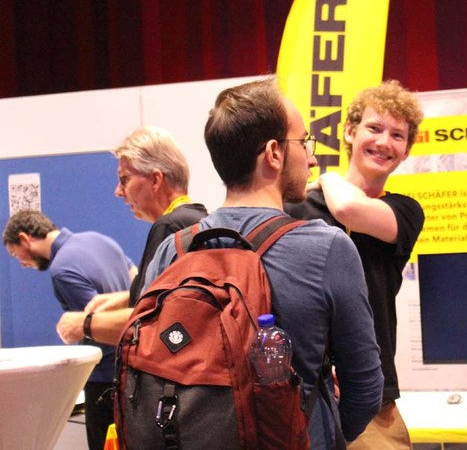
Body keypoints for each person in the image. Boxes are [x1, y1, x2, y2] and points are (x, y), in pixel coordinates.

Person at [140, 76, 384, 449]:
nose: (312, 157)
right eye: (304, 142)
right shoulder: (327, 249)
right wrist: (320, 436)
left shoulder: (172, 251)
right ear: (273, 153)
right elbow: (364, 387)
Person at [285, 80, 424, 450]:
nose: (384, 142)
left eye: (397, 135)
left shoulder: (404, 212)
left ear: (406, 151)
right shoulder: (299, 209)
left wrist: (327, 176)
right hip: (304, 393)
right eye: (374, 128)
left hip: (370, 397)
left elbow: (349, 208)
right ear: (349, 132)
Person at [55, 126, 207, 345]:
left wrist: (83, 324)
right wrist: (125, 298)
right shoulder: (198, 220)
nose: (118, 191)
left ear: (155, 180)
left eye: (124, 179)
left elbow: (149, 321)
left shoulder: (168, 228)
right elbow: (175, 296)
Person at [3, 210, 134, 450]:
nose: (21, 263)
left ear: (24, 238)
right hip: (134, 373)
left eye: (15, 253)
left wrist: (75, 327)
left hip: (104, 379)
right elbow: (138, 283)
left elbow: (95, 323)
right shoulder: (100, 239)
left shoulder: (61, 269)